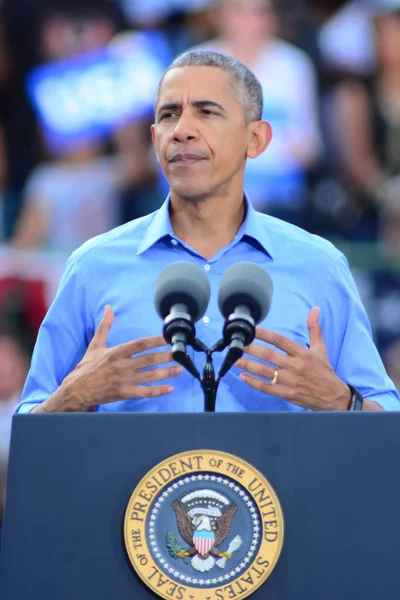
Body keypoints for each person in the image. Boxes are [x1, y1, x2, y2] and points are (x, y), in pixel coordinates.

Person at [16, 50, 400, 415]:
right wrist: (72, 396)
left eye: (206, 112)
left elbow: (387, 421)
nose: (182, 130)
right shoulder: (92, 267)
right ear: (154, 140)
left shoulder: (319, 266)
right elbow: (28, 424)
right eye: (169, 115)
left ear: (257, 139)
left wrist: (341, 400)